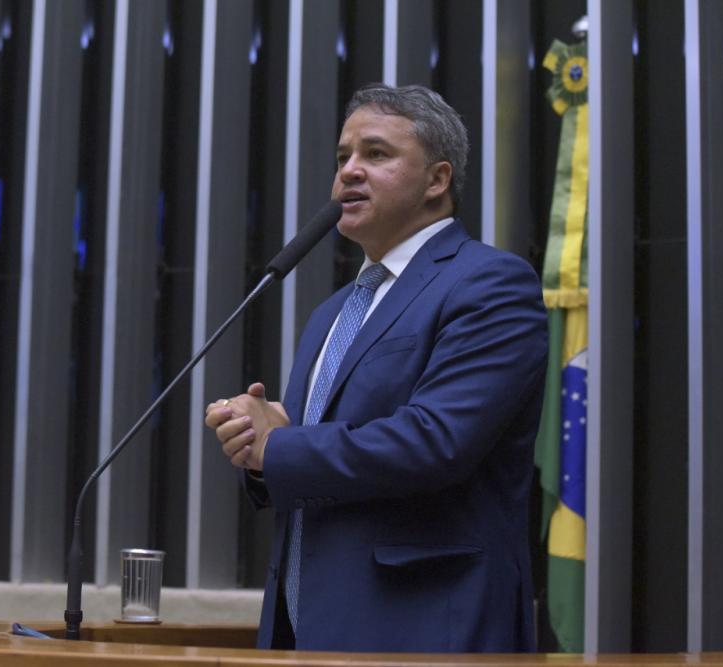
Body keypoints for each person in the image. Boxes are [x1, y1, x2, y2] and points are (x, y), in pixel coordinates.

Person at [205, 84, 547, 653]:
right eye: (343, 158)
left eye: (376, 154)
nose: (349, 173)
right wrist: (255, 447)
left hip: (426, 627)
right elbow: (311, 456)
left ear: (437, 180)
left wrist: (279, 448)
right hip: (305, 627)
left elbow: (436, 441)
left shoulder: (490, 283)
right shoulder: (334, 311)